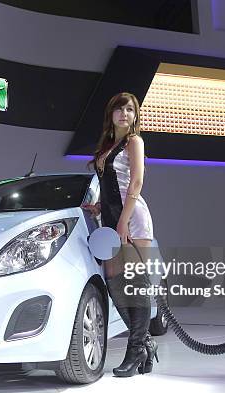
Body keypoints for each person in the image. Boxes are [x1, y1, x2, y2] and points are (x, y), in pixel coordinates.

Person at [82, 92, 158, 377]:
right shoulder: (108, 146)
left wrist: (123, 221)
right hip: (111, 219)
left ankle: (135, 348)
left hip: (133, 218)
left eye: (129, 109)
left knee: (135, 285)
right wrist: (100, 206)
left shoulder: (134, 142)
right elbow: (112, 184)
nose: (124, 113)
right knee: (114, 282)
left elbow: (135, 182)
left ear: (135, 115)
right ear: (111, 114)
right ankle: (145, 344)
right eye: (119, 109)